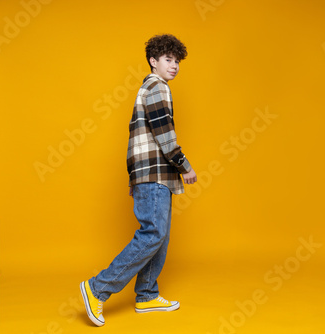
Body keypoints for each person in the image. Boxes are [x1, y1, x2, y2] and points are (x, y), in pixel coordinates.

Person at [80, 34, 197, 327]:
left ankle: (146, 294)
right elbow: (165, 135)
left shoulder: (153, 87)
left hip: (154, 174)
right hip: (154, 173)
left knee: (160, 237)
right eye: (168, 60)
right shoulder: (157, 87)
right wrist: (185, 166)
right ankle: (97, 289)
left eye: (177, 61)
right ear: (153, 61)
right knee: (153, 235)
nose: (174, 66)